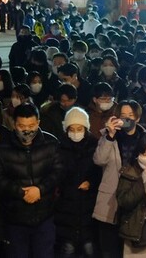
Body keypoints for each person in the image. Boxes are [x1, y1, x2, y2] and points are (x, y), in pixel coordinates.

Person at [0, 102, 64, 258]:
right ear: (14, 124)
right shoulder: (1, 148)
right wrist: (20, 192)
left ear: (38, 123)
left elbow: (58, 172)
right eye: (22, 126)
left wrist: (40, 189)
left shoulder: (51, 143)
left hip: (44, 216)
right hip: (14, 217)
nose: (27, 130)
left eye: (31, 125)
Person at [56, 107, 101, 258]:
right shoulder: (60, 147)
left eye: (79, 129)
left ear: (86, 128)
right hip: (66, 206)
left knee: (90, 248)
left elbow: (99, 172)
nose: (76, 133)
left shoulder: (95, 145)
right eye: (72, 129)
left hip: (89, 204)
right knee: (67, 248)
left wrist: (91, 182)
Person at [93, 112, 124, 258]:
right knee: (108, 248)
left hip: (131, 199)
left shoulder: (142, 137)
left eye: (131, 115)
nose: (126, 119)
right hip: (109, 199)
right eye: (123, 115)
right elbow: (99, 160)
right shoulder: (106, 137)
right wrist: (110, 136)